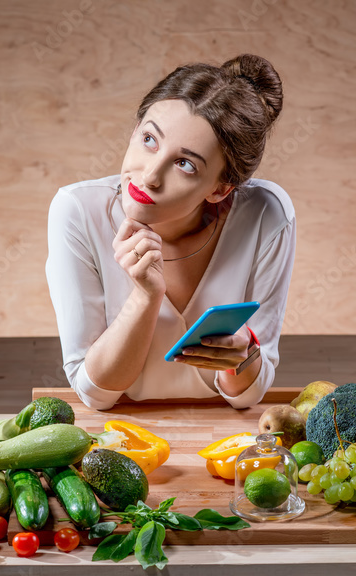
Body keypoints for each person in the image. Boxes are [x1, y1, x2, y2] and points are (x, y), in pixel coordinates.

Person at [46, 53, 296, 411]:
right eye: (149, 139)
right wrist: (146, 296)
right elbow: (95, 393)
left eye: (185, 164)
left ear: (221, 189)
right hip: (118, 435)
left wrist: (244, 354)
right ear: (135, 129)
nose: (149, 175)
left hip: (222, 435)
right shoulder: (77, 211)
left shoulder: (267, 215)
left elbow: (249, 394)